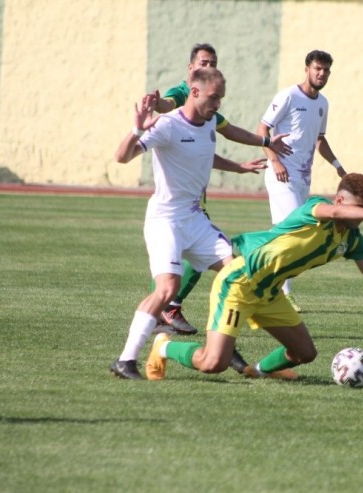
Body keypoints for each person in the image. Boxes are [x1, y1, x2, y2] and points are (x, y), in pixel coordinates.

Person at [144, 173, 363, 382]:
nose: (360, 216)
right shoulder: (315, 210)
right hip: (240, 284)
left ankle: (259, 371)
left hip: (270, 293)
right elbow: (335, 212)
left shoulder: (352, 240)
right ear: (340, 200)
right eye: (358, 209)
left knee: (305, 354)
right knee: (213, 363)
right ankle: (165, 347)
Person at [110, 67, 268, 380]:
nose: (218, 104)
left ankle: (220, 342)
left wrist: (237, 167)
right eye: (213, 97)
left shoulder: (209, 121)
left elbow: (202, 155)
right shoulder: (167, 124)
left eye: (221, 97)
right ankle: (126, 360)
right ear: (194, 92)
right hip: (165, 218)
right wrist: (137, 129)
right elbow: (121, 156)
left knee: (236, 273)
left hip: (194, 217)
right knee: (167, 289)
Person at [149, 43, 291, 336]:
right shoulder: (184, 92)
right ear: (191, 69)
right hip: (176, 198)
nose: (208, 67)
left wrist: (262, 145)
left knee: (202, 256)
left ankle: (169, 307)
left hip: (193, 195)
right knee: (191, 258)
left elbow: (229, 129)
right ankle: (168, 307)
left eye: (212, 62)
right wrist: (156, 105)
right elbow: (165, 105)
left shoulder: (211, 104)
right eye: (203, 62)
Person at [256, 49, 347, 313]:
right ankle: (280, 293)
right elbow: (262, 129)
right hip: (281, 174)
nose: (322, 74)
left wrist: (339, 168)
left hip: (303, 178)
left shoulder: (322, 103)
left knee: (284, 234)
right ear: (307, 68)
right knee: (293, 233)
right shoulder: (288, 96)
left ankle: (261, 277)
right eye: (317, 68)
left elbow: (320, 139)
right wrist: (275, 160)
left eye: (326, 70)